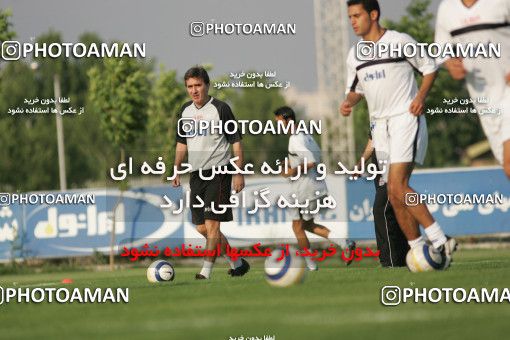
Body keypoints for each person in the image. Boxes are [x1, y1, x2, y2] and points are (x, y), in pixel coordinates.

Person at [340, 0, 457, 268]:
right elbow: (355, 89)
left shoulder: (400, 41)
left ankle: (440, 239)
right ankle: (419, 250)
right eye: (350, 17)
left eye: (357, 15)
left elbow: (429, 67)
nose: (353, 21)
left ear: (374, 14)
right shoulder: (354, 55)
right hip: (379, 127)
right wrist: (348, 102)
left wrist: (420, 97)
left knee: (398, 186)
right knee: (393, 195)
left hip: (406, 118)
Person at [173, 66, 250, 279]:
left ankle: (205, 271)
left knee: (213, 225)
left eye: (198, 85)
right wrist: (176, 169)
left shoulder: (221, 109)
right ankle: (237, 262)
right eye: (190, 86)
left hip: (220, 172)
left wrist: (238, 173)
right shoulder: (185, 111)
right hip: (196, 175)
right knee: (202, 228)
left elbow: (236, 143)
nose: (194, 90)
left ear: (207, 85)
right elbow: (181, 144)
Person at [274, 106, 356, 271]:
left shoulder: (295, 139)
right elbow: (315, 157)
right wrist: (290, 163)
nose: (277, 127)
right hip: (315, 185)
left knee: (297, 227)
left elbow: (310, 162)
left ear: (288, 120)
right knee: (307, 225)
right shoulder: (306, 135)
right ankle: (345, 243)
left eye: (279, 123)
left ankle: (311, 266)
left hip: (303, 188)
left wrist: (291, 171)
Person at [435, 0, 510, 179]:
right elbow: (442, 50)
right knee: (506, 167)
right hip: (484, 101)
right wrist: (451, 64)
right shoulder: (447, 9)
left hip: (508, 91)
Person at [357, 131, 409, 267]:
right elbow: (372, 140)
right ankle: (403, 258)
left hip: (391, 168)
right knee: (394, 212)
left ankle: (389, 260)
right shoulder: (375, 116)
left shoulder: (390, 114)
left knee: (381, 210)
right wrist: (361, 163)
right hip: (379, 172)